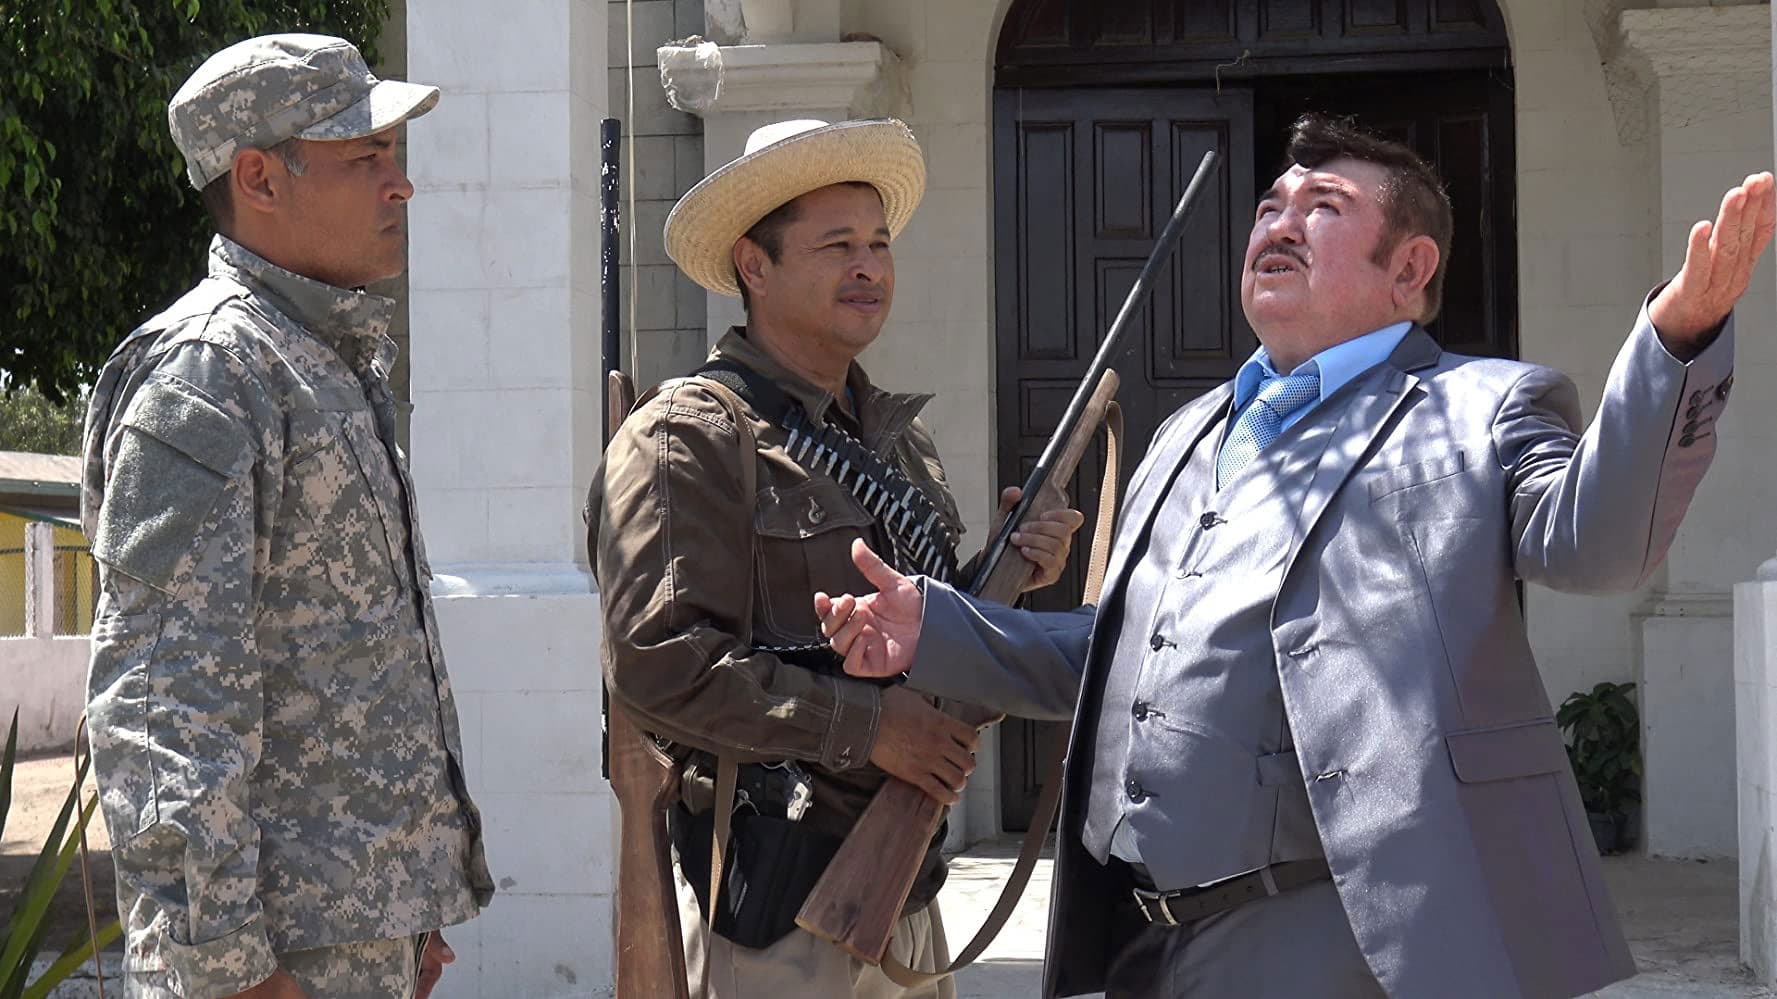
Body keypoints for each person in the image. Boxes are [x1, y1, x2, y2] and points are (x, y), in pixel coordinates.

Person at [814, 114, 1774, 998]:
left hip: (1343, 940)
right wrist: (933, 627)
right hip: (1143, 938)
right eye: (1270, 204)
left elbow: (1598, 545)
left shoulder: (1481, 407)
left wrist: (1677, 339)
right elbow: (1113, 658)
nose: (1278, 222)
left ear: (1409, 269)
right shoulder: (1187, 432)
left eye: (1323, 207)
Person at [592, 117, 1084, 999]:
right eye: (836, 245)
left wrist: (1007, 580)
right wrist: (869, 729)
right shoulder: (690, 435)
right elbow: (659, 665)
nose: (869, 267)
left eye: (878, 243)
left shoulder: (897, 441)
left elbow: (924, 657)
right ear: (754, 265)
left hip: (902, 885)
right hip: (776, 904)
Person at [81, 34, 494, 999]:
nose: (400, 185)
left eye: (394, 155)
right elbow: (162, 701)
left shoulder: (316, 361)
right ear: (260, 178)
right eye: (366, 157)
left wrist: (407, 909)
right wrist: (227, 970)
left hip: (348, 947)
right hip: (266, 971)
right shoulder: (208, 377)